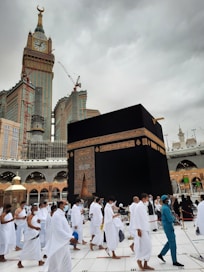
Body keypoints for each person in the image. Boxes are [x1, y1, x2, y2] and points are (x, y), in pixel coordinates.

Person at [45, 200, 77, 272]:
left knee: (67, 265)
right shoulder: (56, 215)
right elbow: (58, 230)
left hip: (64, 244)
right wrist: (69, 238)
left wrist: (70, 235)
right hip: (58, 245)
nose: (66, 206)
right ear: (61, 205)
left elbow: (65, 228)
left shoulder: (61, 215)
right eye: (65, 204)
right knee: (55, 266)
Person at [158, 194, 184, 267]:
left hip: (168, 226)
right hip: (168, 227)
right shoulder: (165, 208)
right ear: (164, 200)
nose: (168, 200)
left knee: (170, 241)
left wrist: (172, 201)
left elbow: (171, 211)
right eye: (167, 199)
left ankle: (161, 254)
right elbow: (170, 218)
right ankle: (174, 261)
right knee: (173, 244)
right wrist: (176, 221)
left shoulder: (166, 207)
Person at [133, 193, 154, 270]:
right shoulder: (138, 206)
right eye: (147, 198)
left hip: (146, 229)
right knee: (143, 247)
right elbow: (136, 218)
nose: (148, 199)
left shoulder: (143, 206)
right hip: (141, 230)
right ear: (144, 198)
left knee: (148, 247)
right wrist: (138, 229)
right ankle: (139, 261)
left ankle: (145, 263)